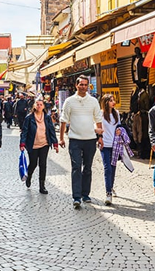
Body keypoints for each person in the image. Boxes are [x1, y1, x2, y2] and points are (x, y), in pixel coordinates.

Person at [59, 75, 103, 209]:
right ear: (76, 86)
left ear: (88, 86)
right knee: (76, 167)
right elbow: (63, 120)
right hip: (75, 140)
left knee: (88, 168)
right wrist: (61, 138)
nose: (83, 87)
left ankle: (86, 194)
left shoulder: (93, 101)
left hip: (90, 139)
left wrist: (100, 137)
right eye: (81, 84)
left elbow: (98, 119)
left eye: (85, 85)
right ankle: (76, 197)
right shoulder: (69, 101)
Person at [20, 98, 58, 195]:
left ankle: (42, 186)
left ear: (44, 106)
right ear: (34, 106)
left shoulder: (47, 117)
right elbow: (24, 131)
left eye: (41, 104)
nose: (39, 106)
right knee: (33, 164)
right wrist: (22, 143)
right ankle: (29, 177)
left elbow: (51, 130)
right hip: (32, 144)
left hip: (44, 144)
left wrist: (55, 143)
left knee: (43, 164)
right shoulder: (29, 118)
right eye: (37, 104)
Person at [99, 94, 121, 206]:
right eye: (111, 100)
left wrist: (119, 131)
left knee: (113, 167)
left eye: (114, 100)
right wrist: (99, 137)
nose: (113, 102)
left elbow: (119, 127)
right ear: (106, 102)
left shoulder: (116, 114)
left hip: (115, 144)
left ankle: (110, 186)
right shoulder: (101, 114)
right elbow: (97, 127)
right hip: (105, 144)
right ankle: (108, 193)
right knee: (107, 167)